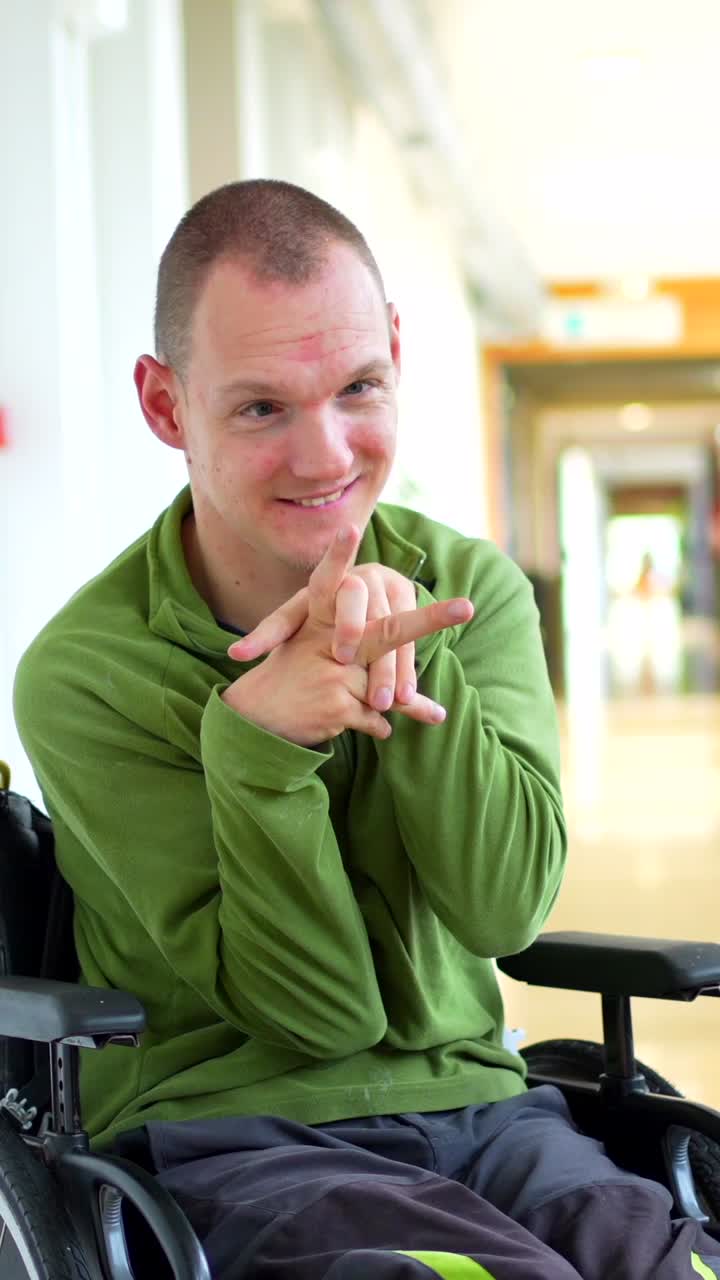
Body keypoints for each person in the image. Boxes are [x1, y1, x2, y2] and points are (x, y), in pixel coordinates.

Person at [13, 180, 720, 1280]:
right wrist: (257, 749)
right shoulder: (90, 673)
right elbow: (322, 1017)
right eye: (262, 408)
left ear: (395, 350)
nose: (326, 455)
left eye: (358, 388)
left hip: (491, 1111)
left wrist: (408, 652)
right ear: (166, 406)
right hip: (239, 1134)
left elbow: (502, 906)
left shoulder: (472, 591)